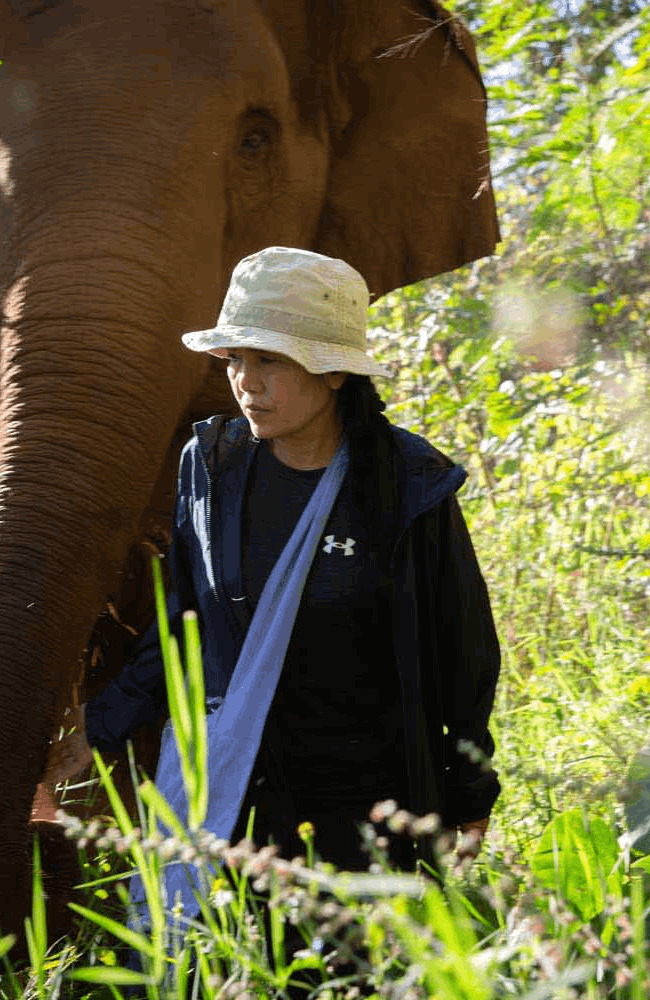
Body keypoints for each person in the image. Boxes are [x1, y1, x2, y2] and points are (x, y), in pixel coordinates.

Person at [41, 246, 501, 893]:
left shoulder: (408, 487)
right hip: (241, 806)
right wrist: (97, 726)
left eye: (271, 360)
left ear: (336, 371)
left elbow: (466, 656)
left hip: (371, 813)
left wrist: (471, 797)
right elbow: (183, 627)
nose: (245, 382)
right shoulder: (212, 471)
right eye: (235, 359)